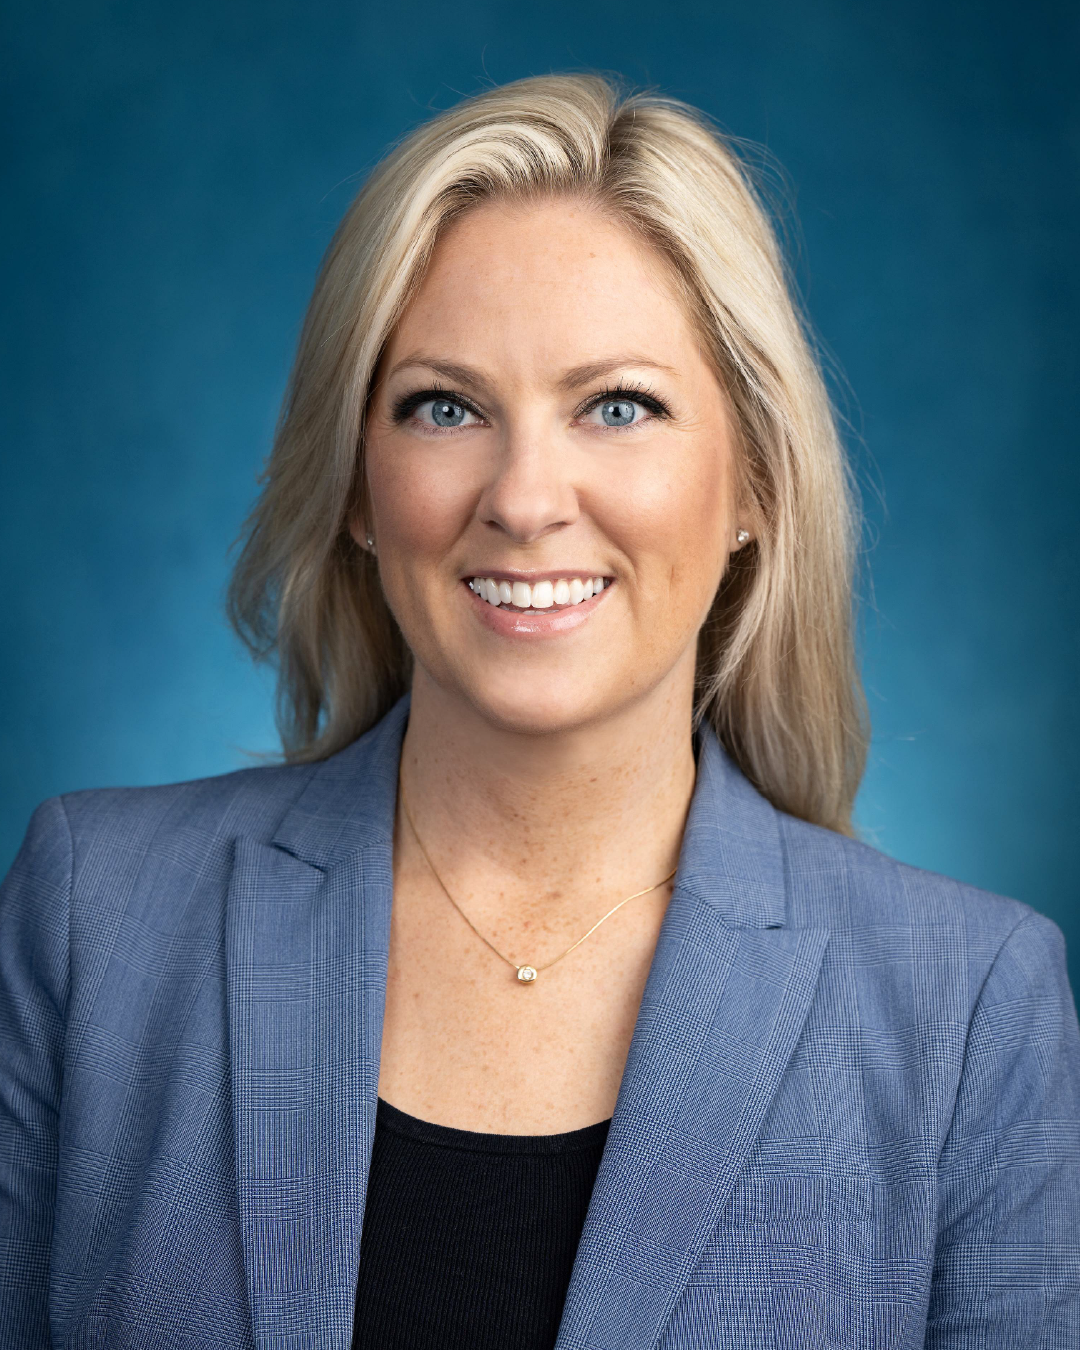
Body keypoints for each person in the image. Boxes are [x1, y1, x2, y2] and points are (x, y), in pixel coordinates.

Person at [1, 73, 1078, 1350]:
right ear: (357, 484)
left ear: (755, 483)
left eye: (618, 407)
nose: (523, 498)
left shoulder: (971, 1009)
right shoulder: (94, 917)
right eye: (444, 407)